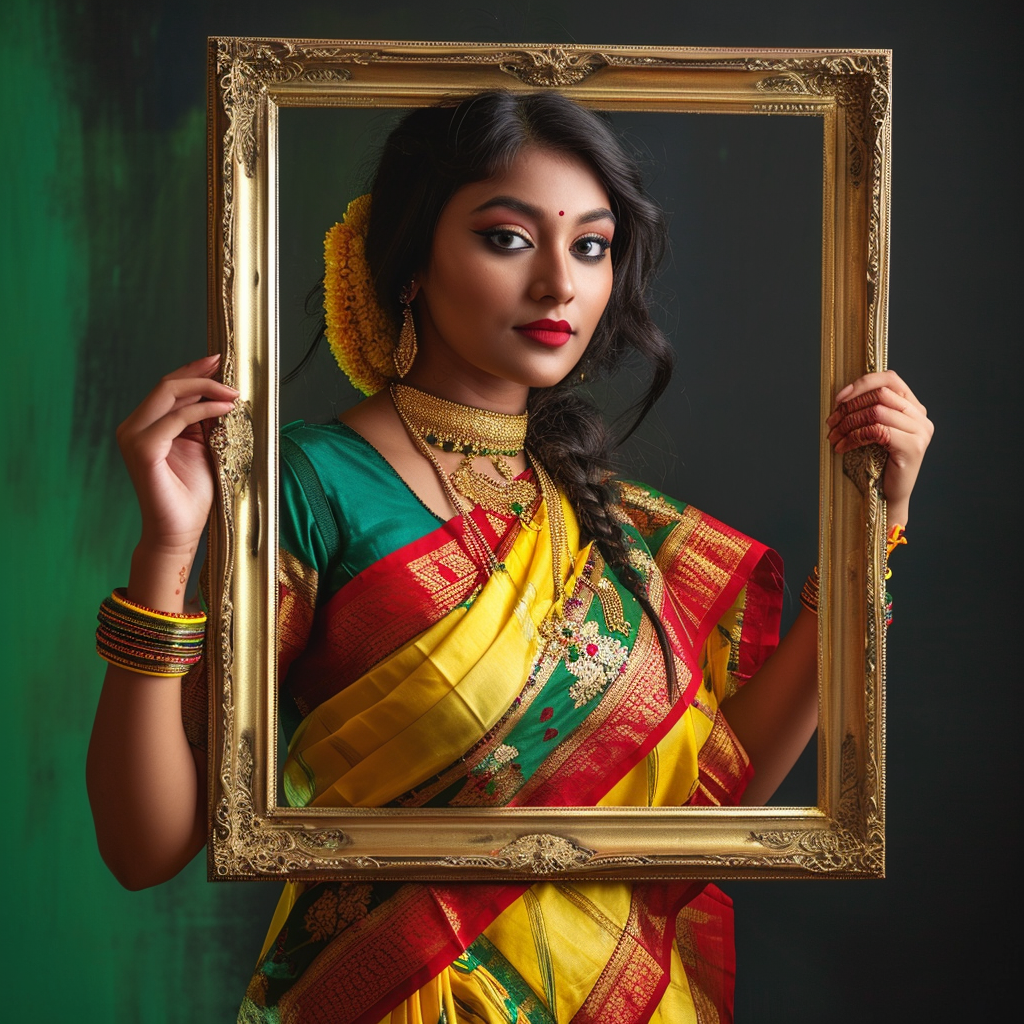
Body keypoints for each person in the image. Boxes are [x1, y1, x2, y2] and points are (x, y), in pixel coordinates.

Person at [86, 91, 933, 1022]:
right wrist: (166, 551)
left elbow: (705, 803)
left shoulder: (604, 520)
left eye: (591, 245)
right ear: (410, 261)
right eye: (508, 238)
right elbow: (145, 846)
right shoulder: (311, 485)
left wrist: (873, 525)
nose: (560, 286)